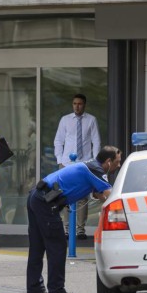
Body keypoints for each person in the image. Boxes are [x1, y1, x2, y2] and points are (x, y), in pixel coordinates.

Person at [26, 146, 121, 293]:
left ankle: (34, 288)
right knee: (57, 245)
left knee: (38, 245)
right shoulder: (96, 169)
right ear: (108, 161)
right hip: (46, 202)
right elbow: (110, 196)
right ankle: (57, 291)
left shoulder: (90, 166)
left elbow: (98, 194)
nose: (119, 165)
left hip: (37, 196)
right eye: (117, 162)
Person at [54, 94, 101, 240]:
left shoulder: (91, 120)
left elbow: (96, 141)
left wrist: (94, 162)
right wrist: (59, 160)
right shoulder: (65, 120)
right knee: (66, 195)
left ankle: (80, 229)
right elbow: (58, 140)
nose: (77, 106)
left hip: (84, 163)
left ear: (84, 105)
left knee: (81, 196)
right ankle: (67, 228)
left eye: (80, 104)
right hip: (67, 164)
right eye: (74, 103)